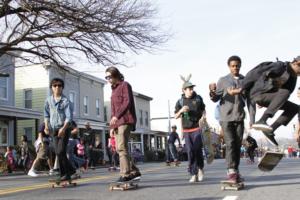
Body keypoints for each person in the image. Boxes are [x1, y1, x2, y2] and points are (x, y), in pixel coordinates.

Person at [240, 56, 300, 146]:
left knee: (294, 108)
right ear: (296, 63)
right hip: (257, 94)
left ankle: (271, 130)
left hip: (268, 97)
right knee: (285, 92)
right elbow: (255, 73)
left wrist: (271, 101)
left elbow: (283, 97)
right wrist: (243, 87)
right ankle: (263, 120)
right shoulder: (280, 66)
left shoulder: (293, 79)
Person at [209, 55, 245, 183]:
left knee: (237, 145)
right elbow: (215, 98)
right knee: (230, 144)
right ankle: (231, 171)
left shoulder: (245, 80)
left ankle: (235, 170)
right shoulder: (223, 80)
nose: (235, 68)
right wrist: (212, 92)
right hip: (226, 117)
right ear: (229, 67)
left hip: (239, 117)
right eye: (233, 66)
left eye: (237, 65)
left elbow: (250, 98)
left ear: (240, 65)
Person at [105, 66, 141, 182]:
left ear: (115, 75)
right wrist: (112, 127)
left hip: (125, 120)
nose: (108, 79)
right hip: (117, 122)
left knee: (121, 147)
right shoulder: (113, 90)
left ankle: (125, 174)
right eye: (106, 77)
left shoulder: (125, 85)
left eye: (109, 76)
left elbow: (127, 102)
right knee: (121, 148)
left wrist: (117, 116)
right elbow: (113, 109)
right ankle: (134, 171)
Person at [175, 74, 206, 183]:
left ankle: (201, 169)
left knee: (197, 150)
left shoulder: (198, 98)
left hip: (197, 128)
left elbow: (203, 110)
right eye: (189, 89)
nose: (191, 90)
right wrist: (181, 110)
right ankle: (193, 173)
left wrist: (203, 118)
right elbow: (175, 116)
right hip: (186, 130)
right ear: (184, 90)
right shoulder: (180, 101)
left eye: (192, 88)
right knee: (190, 152)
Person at [44, 77, 75, 182]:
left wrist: (63, 128)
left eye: (59, 85)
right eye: (55, 85)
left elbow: (69, 117)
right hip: (53, 129)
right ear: (51, 87)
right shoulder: (48, 100)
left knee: (61, 150)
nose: (57, 87)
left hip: (64, 128)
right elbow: (46, 114)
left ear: (62, 88)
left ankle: (65, 174)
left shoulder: (66, 101)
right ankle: (70, 170)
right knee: (58, 152)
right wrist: (46, 126)